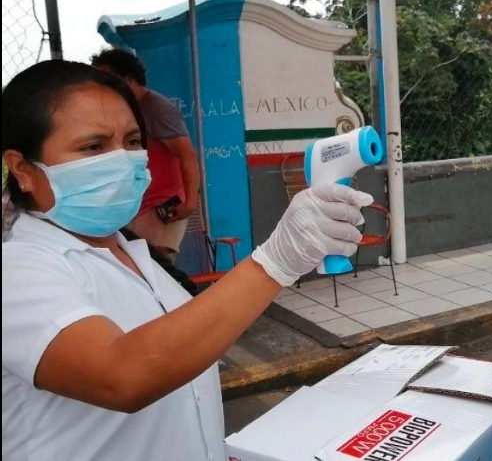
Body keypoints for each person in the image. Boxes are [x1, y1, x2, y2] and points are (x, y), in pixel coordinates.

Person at [1, 60, 372, 461]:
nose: (123, 160)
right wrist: (275, 261)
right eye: (94, 147)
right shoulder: (17, 270)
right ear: (21, 169)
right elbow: (122, 376)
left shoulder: (137, 254)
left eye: (131, 142)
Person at [90, 47, 200, 263]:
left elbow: (187, 155)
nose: (101, 86)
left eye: (106, 78)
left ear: (128, 79)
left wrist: (189, 203)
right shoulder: (126, 108)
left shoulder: (157, 109)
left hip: (158, 207)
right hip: (136, 205)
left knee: (154, 271)